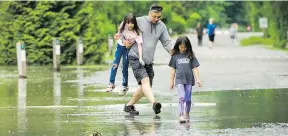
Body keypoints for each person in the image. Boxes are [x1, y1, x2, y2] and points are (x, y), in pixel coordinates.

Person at [121, 4, 173, 115]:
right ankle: (154, 104)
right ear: (149, 13)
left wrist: (175, 55)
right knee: (145, 82)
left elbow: (167, 43)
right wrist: (124, 41)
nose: (156, 19)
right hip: (135, 57)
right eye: (154, 16)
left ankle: (129, 106)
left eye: (159, 17)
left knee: (145, 87)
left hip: (148, 61)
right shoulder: (139, 21)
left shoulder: (161, 26)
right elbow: (123, 28)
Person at [105, 13, 144, 96]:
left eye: (132, 23)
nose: (130, 25)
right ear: (125, 22)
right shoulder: (123, 24)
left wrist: (140, 57)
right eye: (128, 23)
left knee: (124, 66)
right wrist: (117, 36)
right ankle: (111, 83)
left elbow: (140, 45)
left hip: (127, 49)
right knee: (115, 64)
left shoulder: (137, 32)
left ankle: (125, 85)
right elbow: (119, 34)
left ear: (134, 23)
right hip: (120, 47)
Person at [169, 36, 203, 123]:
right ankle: (181, 115)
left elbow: (195, 68)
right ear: (178, 46)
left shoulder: (190, 55)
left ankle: (187, 113)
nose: (183, 49)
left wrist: (198, 79)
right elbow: (173, 69)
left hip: (189, 80)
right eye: (181, 47)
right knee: (182, 97)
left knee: (188, 99)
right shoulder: (175, 56)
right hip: (179, 80)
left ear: (188, 46)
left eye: (184, 47)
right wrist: (171, 81)